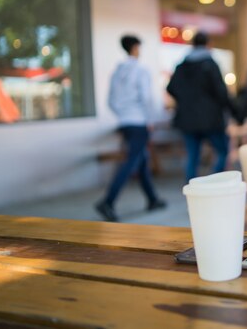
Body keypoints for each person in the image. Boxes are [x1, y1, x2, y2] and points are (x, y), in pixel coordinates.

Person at [96, 35, 166, 222]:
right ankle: (108, 201)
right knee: (131, 162)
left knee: (141, 159)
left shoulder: (116, 72)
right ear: (135, 48)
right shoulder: (141, 70)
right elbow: (146, 98)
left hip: (125, 122)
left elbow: (110, 100)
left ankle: (152, 199)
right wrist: (150, 119)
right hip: (139, 122)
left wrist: (123, 114)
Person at [167, 31, 235, 181]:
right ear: (208, 44)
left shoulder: (182, 66)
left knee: (192, 155)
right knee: (222, 152)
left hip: (187, 119)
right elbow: (221, 92)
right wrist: (234, 111)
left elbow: (171, 88)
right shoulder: (210, 64)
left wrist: (185, 101)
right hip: (210, 118)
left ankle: (192, 187)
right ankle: (215, 183)